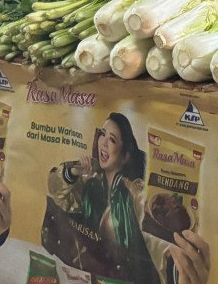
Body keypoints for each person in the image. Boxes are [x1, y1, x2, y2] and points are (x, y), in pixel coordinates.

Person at [45, 113, 209, 284]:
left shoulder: (134, 192)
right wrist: (73, 172)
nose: (104, 142)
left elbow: (159, 243)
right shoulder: (91, 184)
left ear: (125, 157)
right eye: (102, 134)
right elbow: (58, 194)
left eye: (112, 140)